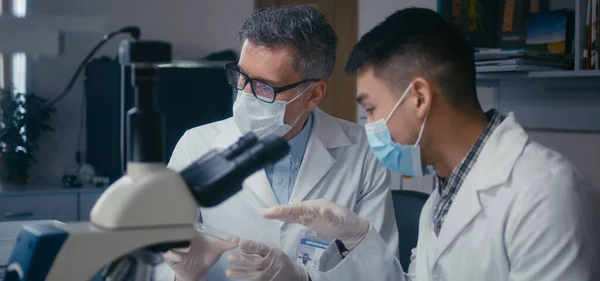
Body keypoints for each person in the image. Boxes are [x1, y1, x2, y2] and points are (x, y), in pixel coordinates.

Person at [260, 7, 600, 281]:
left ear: (419, 98)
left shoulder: (545, 193)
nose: (371, 126)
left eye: (372, 108)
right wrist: (356, 240)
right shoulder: (442, 195)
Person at [155, 5, 399, 281]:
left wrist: (303, 278)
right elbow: (156, 262)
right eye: (241, 76)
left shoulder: (363, 154)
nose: (244, 95)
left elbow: (383, 273)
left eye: (264, 86)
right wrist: (183, 276)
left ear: (313, 95)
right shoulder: (195, 145)